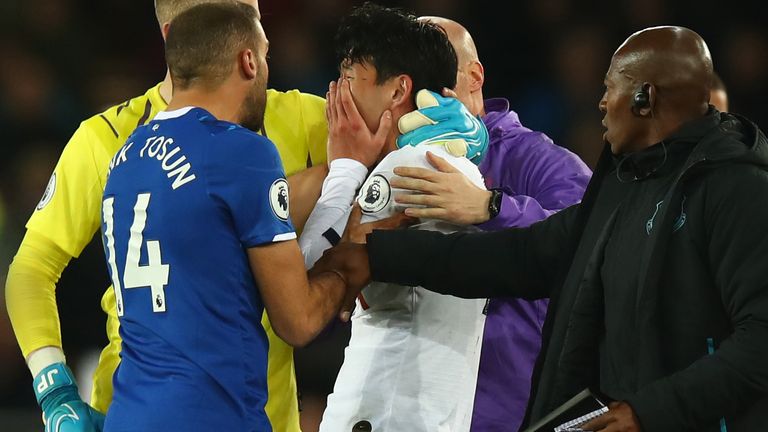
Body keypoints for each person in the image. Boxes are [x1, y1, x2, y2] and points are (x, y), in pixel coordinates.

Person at [316, 26, 768, 431]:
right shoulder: (627, 186)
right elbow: (525, 257)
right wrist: (379, 256)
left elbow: (760, 342)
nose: (600, 103)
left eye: (610, 88)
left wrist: (648, 412)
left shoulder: (738, 189)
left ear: (643, 98)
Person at [4, 0, 326, 430]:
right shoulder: (104, 136)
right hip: (155, 401)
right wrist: (55, 389)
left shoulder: (300, 115)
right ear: (181, 37)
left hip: (243, 412)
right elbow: (31, 268)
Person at [99, 3, 355, 430]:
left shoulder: (125, 157)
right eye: (266, 55)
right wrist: (350, 264)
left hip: (128, 414)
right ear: (248, 60)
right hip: (213, 416)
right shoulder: (245, 151)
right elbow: (299, 321)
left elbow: (214, 228)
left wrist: (338, 174)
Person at [297, 4, 490, 431]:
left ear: (398, 89)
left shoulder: (405, 167)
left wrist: (345, 167)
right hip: (432, 409)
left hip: (380, 410)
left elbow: (303, 282)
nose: (337, 91)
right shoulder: (457, 165)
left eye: (350, 76)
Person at [392, 17, 591, 432]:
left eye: (436, 76)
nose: (422, 96)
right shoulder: (393, 162)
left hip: (502, 412)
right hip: (408, 408)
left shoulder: (537, 160)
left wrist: (490, 206)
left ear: (474, 76)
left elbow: (593, 242)